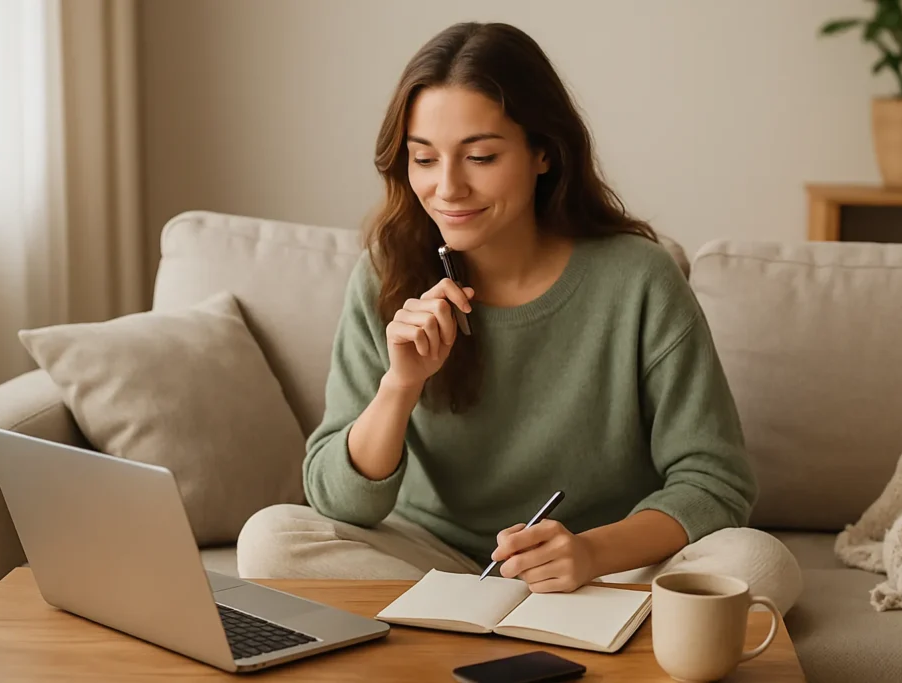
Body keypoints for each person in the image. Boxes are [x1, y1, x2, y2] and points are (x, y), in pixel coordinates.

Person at [237, 21, 802, 613]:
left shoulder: (638, 277)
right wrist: (400, 386)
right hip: (435, 562)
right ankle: (501, 624)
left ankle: (457, 630)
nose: (447, 187)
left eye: (480, 156)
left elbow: (715, 481)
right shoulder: (386, 275)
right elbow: (339, 501)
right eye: (424, 158)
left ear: (543, 152)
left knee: (757, 562)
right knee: (272, 539)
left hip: (604, 568)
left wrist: (590, 553)